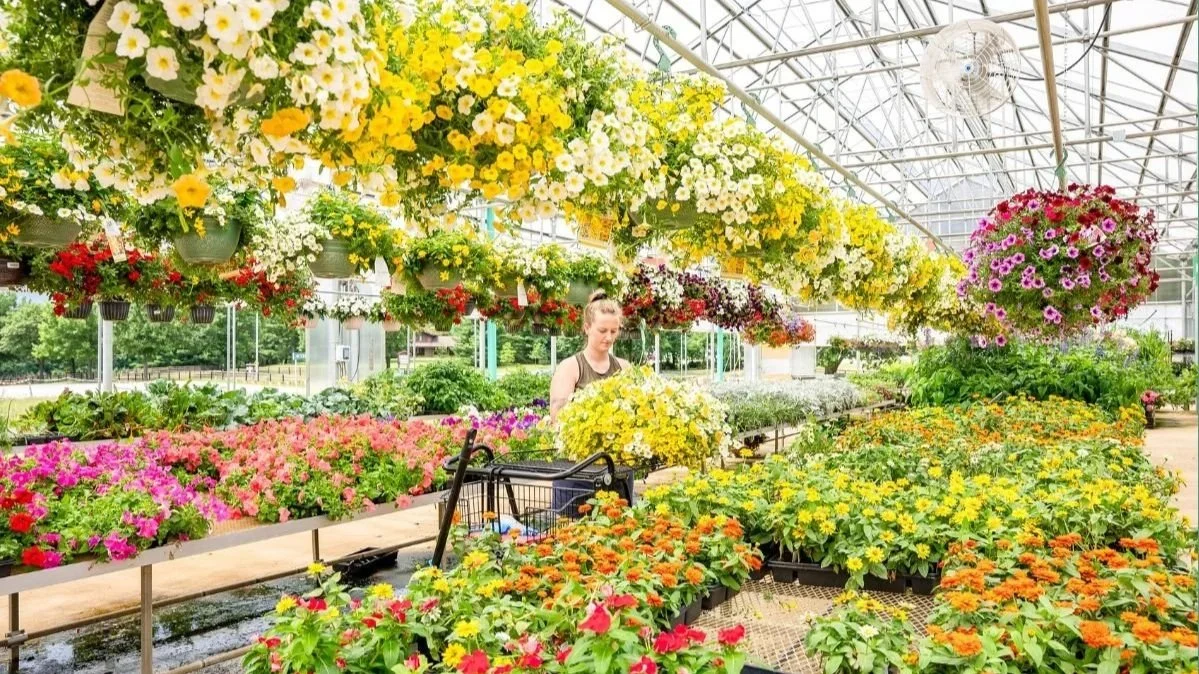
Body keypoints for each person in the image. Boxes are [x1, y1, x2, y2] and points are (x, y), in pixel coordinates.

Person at [549, 291, 630, 422]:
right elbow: (558, 418)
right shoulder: (569, 368)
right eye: (602, 330)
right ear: (587, 328)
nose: (609, 337)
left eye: (613, 331)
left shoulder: (624, 367)